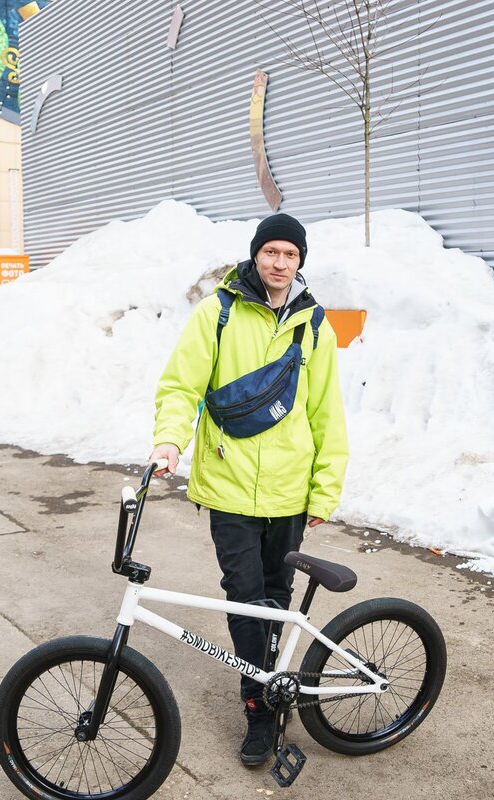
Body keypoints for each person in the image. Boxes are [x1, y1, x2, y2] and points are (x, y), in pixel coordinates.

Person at [150, 213, 349, 766]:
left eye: (290, 254)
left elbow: (326, 413)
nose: (280, 263)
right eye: (271, 252)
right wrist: (170, 441)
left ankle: (275, 687)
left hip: (289, 491)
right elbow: (180, 385)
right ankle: (259, 709)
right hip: (228, 487)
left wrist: (323, 490)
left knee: (276, 599)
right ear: (256, 255)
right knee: (245, 598)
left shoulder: (314, 327)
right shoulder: (217, 313)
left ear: (300, 261)